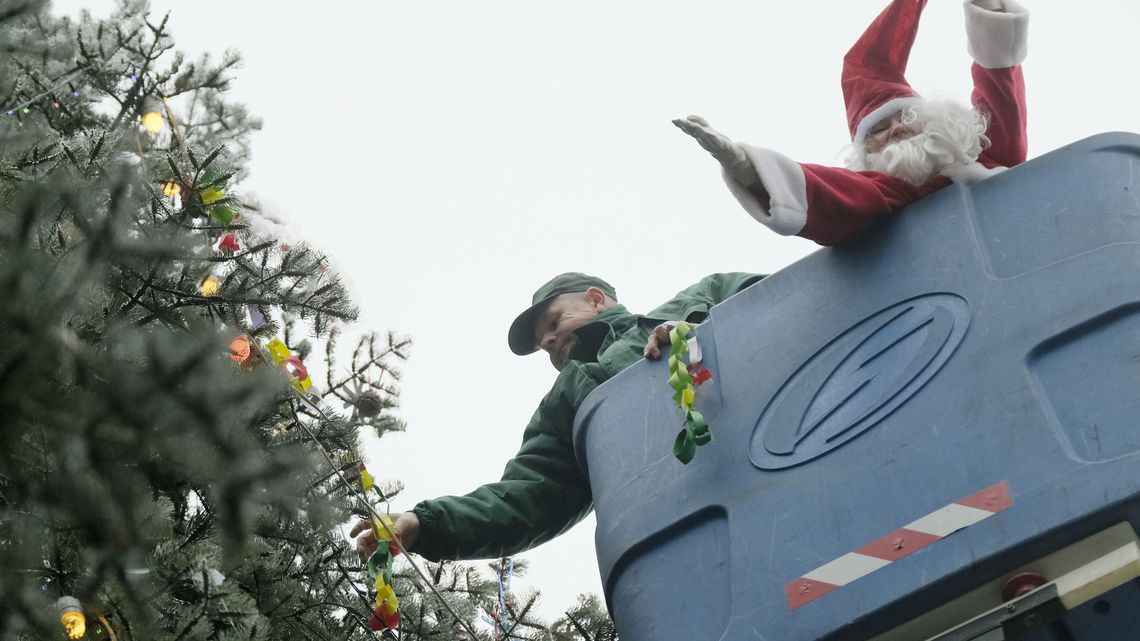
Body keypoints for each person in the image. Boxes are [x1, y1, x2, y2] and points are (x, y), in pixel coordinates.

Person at [351, 271, 763, 561]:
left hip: (782, 478)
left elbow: (800, 307)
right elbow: (531, 495)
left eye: (553, 322)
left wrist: (703, 335)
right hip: (681, 548)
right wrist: (425, 524)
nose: (547, 341)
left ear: (596, 299)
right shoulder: (569, 399)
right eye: (542, 344)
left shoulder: (703, 297)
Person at [674, 0, 1029, 246]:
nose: (895, 130)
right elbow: (837, 195)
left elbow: (999, 84)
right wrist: (746, 167)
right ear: (867, 153)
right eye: (876, 130)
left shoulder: (987, 155)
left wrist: (990, 8)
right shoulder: (888, 197)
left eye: (905, 115)